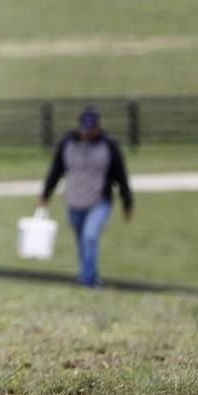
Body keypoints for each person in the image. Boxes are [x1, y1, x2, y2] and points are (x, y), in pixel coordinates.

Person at [37, 105, 134, 288]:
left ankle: (87, 280)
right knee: (82, 240)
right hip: (74, 201)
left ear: (98, 127)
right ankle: (89, 274)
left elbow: (121, 176)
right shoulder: (67, 143)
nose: (87, 133)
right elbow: (56, 171)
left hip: (99, 201)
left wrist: (127, 203)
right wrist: (45, 195)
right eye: (84, 128)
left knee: (90, 237)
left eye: (91, 128)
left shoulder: (109, 146)